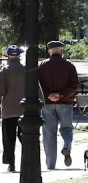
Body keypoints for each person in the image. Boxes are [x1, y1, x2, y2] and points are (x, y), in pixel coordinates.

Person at [0, 45, 42, 173]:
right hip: (26, 110)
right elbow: (37, 88)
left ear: (8, 56)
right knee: (25, 137)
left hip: (9, 110)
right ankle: (29, 161)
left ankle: (11, 163)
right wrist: (42, 104)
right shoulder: (27, 70)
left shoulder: (5, 71)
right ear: (19, 55)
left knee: (9, 138)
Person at [38, 40, 79, 170]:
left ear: (49, 52)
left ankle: (51, 164)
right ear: (61, 51)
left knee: (49, 133)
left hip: (47, 104)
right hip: (65, 103)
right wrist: (61, 95)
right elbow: (74, 85)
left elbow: (37, 84)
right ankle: (66, 146)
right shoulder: (69, 65)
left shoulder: (42, 65)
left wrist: (49, 94)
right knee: (67, 128)